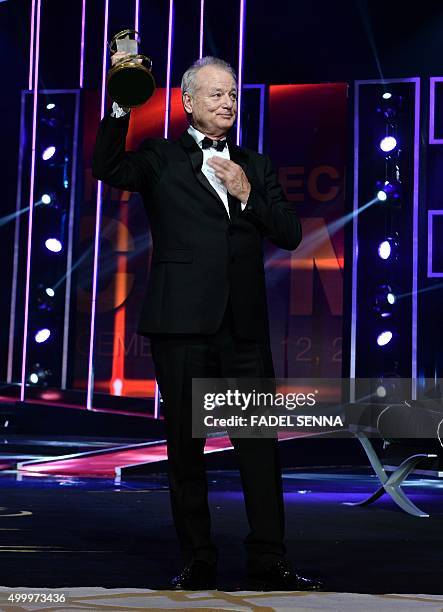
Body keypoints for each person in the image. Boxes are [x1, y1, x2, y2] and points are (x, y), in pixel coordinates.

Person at [93, 54, 321, 592]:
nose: (228, 104)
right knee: (185, 450)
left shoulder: (255, 165)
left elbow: (289, 233)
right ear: (189, 102)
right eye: (216, 95)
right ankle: (199, 559)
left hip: (243, 329)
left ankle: (270, 559)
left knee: (258, 450)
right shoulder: (160, 157)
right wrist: (122, 101)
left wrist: (246, 192)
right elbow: (109, 168)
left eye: (234, 95)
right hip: (182, 325)